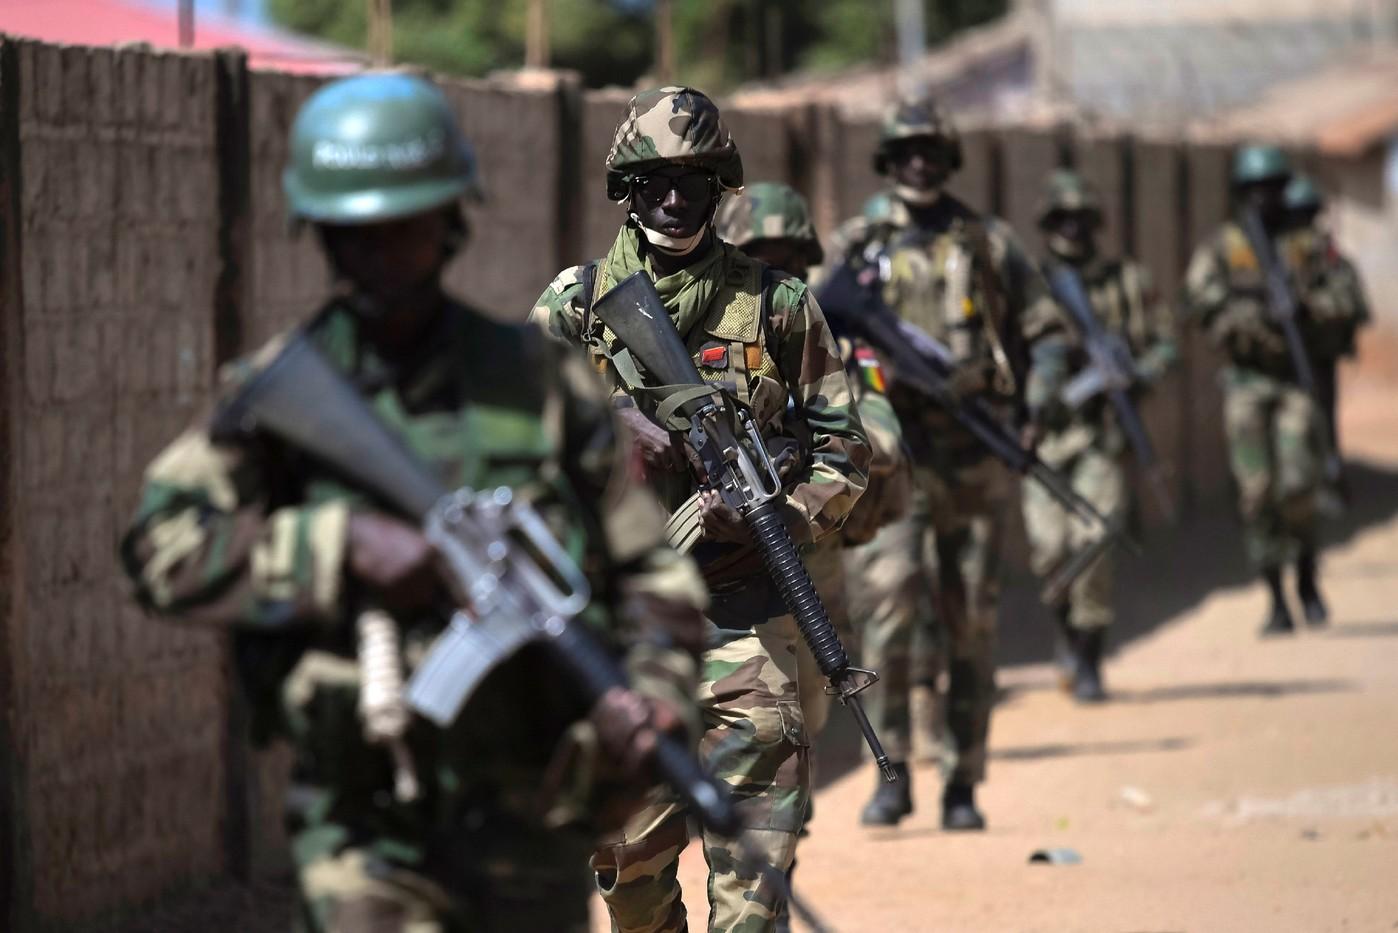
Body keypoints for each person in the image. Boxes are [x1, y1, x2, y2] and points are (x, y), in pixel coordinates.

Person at [120, 73, 708, 933]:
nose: (381, 252)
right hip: (367, 825)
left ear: (451, 222)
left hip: (535, 811)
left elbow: (648, 566)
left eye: (406, 226)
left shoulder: (537, 384)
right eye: (355, 233)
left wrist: (656, 694)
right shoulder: (282, 395)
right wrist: (337, 546)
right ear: (319, 234)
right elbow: (159, 544)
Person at [532, 88, 870, 933]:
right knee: (631, 888)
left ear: (721, 184)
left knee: (752, 905)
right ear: (627, 186)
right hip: (627, 639)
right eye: (655, 180)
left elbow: (845, 452)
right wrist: (612, 437)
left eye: (694, 179)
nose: (676, 198)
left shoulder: (780, 306)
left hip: (748, 628)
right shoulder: (575, 306)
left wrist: (779, 512)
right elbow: (504, 450)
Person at [827, 96, 1067, 830]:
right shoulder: (859, 242)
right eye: (906, 151)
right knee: (889, 610)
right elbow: (813, 332)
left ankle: (962, 780)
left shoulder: (990, 242)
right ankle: (893, 772)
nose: (920, 162)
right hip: (892, 457)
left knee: (972, 624)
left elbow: (1048, 332)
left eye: (932, 149)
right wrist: (868, 384)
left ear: (950, 156)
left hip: (974, 453)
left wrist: (1035, 412)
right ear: (888, 161)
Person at [1183, 144, 1363, 635]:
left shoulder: (1308, 244)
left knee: (1299, 485)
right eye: (1255, 189)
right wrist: (1250, 310)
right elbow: (1198, 300)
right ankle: (1275, 595)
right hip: (1247, 381)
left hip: (1294, 381)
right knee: (1257, 494)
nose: (1265, 198)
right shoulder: (1225, 247)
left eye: (1273, 189)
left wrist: (1306, 307)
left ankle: (1306, 576)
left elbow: (1348, 297)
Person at [1025, 169, 1177, 701]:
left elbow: (1166, 343)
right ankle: (1068, 635)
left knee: (1093, 543)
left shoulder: (1127, 281)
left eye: (1081, 218)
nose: (1072, 228)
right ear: (1048, 224)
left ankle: (1090, 658)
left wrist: (1135, 373)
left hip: (1100, 436)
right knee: (1050, 551)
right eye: (1061, 218)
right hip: (1042, 439)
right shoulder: (1030, 285)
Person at [1280, 173, 1371, 477]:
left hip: (1318, 355)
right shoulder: (1278, 255)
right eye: (1296, 215)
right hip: (1282, 357)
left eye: (1306, 214)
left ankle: (1328, 476)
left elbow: (1353, 304)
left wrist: (1310, 307)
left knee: (1321, 419)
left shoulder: (1328, 257)